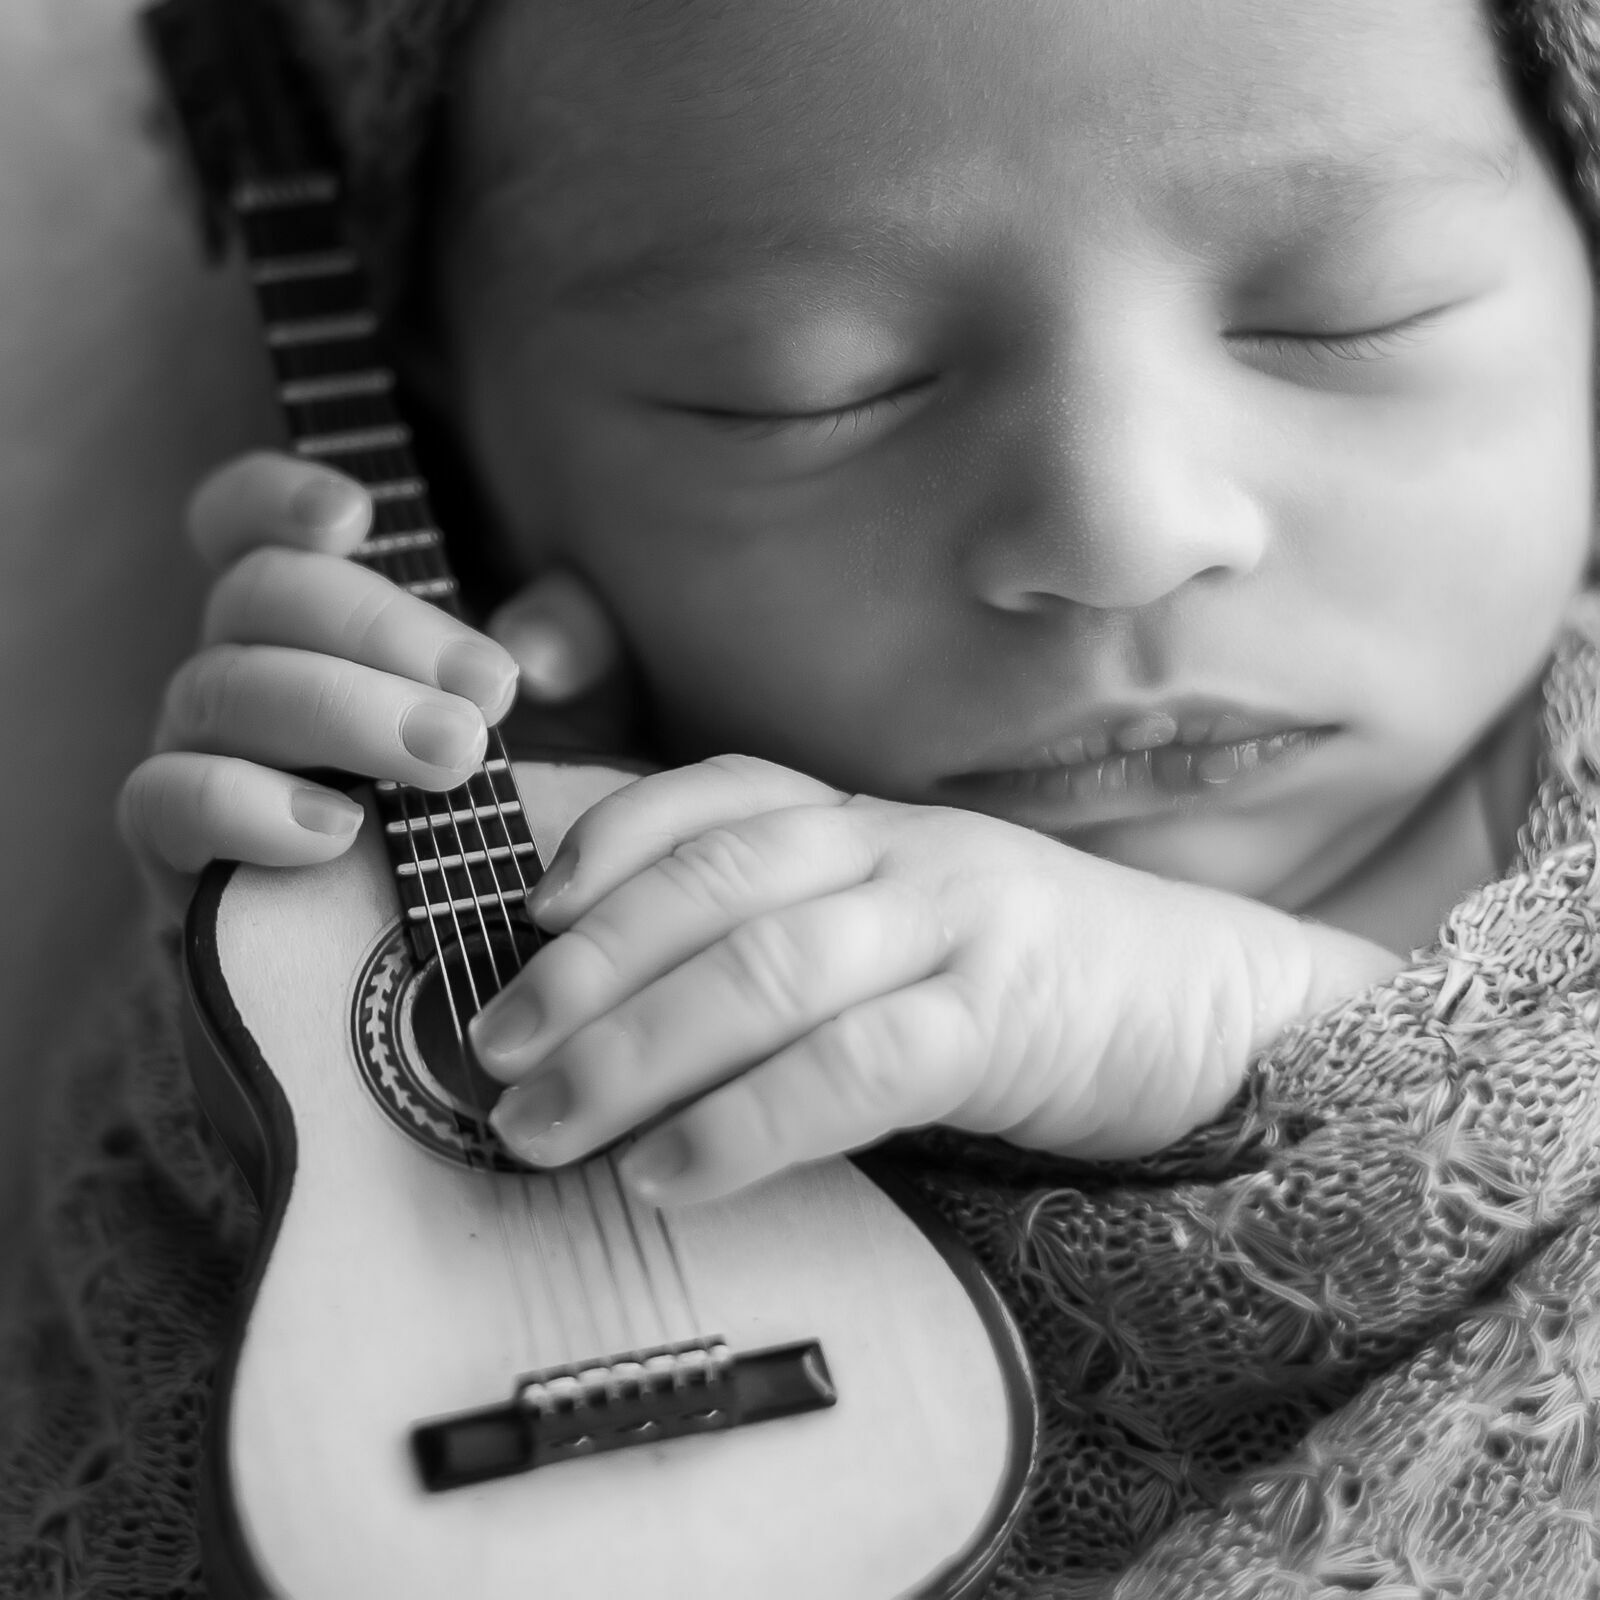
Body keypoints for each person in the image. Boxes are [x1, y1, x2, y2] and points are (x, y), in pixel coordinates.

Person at [9, 0, 1600, 1594]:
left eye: (1347, 310)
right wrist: (276, 1084)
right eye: (800, 385)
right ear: (455, 422)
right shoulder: (397, 948)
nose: (1123, 528)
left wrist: (1259, 1044)